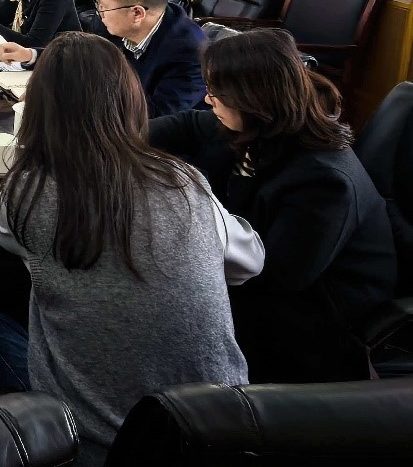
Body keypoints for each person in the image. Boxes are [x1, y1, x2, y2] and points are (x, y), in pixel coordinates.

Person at [0, 32, 262, 466]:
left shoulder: (27, 192)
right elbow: (250, 261)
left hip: (91, 448)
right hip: (221, 439)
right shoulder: (184, 180)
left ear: (38, 110)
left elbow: (5, 235)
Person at [149, 29, 397, 383]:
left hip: (312, 316)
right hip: (261, 281)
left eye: (216, 92)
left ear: (252, 98)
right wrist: (116, 139)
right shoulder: (257, 125)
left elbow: (274, 278)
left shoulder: (324, 182)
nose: (207, 99)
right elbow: (188, 124)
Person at [4, 0, 205, 118]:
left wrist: (67, 99)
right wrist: (31, 56)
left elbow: (153, 116)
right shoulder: (111, 20)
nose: (98, 12)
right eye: (97, 2)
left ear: (137, 13)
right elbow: (85, 57)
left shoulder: (190, 53)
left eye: (103, 6)